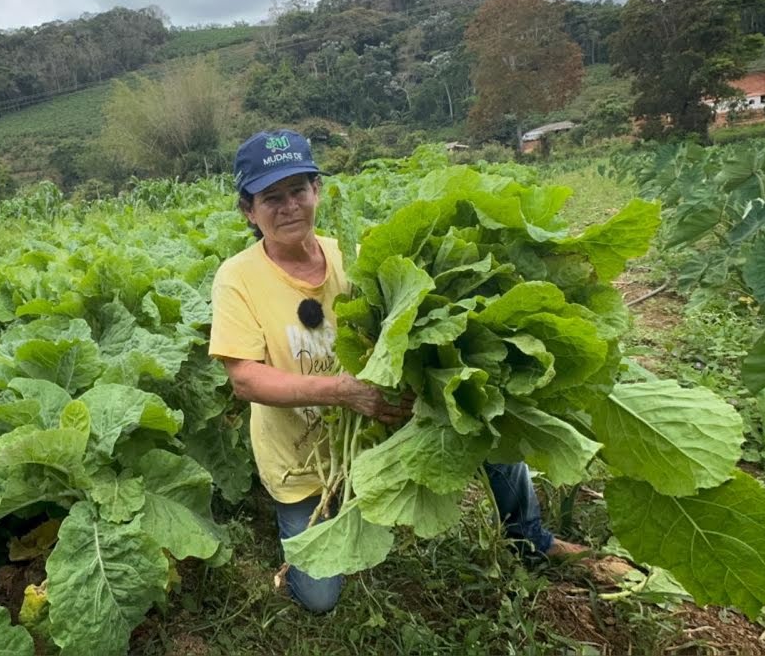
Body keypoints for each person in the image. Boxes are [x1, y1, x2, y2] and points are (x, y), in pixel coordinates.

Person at [209, 129, 617, 614]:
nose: (289, 206)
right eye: (271, 197)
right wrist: (343, 390)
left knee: (486, 414)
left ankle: (531, 538)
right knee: (319, 598)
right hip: (301, 456)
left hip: (376, 427)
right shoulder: (237, 276)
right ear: (248, 210)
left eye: (298, 190)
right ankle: (325, 516)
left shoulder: (352, 259)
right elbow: (246, 379)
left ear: (317, 191)